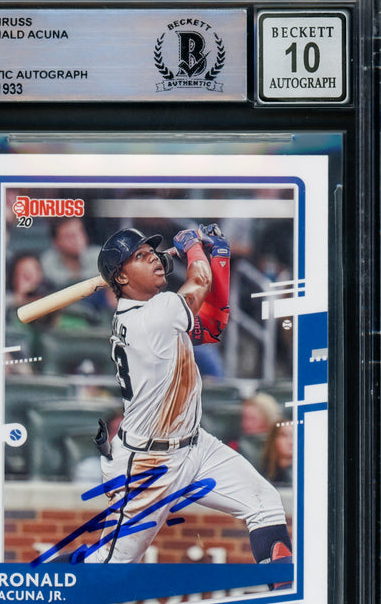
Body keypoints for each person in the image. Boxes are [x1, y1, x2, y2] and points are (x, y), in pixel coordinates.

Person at [72, 226, 292, 585]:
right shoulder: (150, 316)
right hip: (148, 463)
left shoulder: (155, 312)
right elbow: (199, 282)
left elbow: (212, 325)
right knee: (112, 567)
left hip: (195, 445)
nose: (154, 259)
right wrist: (193, 247)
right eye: (140, 257)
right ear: (121, 277)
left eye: (152, 253)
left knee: (264, 502)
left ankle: (283, 595)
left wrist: (219, 260)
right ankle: (34, 593)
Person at [262, 422, 293, 487]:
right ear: (273, 439)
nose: (291, 441)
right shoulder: (261, 472)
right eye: (284, 435)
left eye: (294, 436)